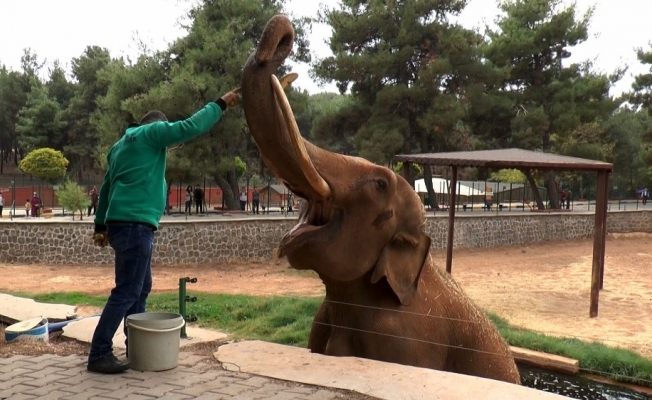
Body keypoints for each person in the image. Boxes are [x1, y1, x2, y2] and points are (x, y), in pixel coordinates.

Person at [88, 88, 240, 374]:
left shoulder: (119, 145)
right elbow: (190, 126)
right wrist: (221, 104)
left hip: (121, 224)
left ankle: (137, 348)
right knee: (127, 290)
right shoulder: (152, 133)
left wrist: (100, 225)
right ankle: (99, 353)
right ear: (156, 126)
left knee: (140, 287)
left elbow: (107, 187)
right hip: (136, 224)